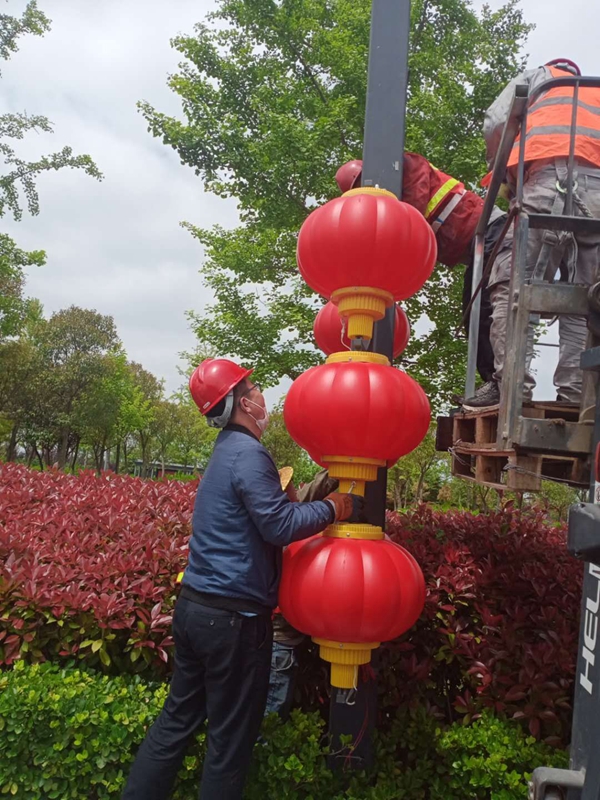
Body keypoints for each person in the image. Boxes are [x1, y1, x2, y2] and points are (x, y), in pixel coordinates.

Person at [121, 358, 363, 800]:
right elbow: (279, 526)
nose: (259, 395)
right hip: (233, 622)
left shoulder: (225, 452)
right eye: (252, 388)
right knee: (230, 742)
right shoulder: (250, 454)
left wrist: (290, 501)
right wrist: (334, 508)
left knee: (176, 721)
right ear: (242, 403)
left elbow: (260, 519)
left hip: (195, 610)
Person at [461, 58, 600, 408]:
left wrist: (502, 172)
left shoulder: (540, 79)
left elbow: (496, 121)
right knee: (586, 297)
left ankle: (510, 387)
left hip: (546, 183)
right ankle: (576, 395)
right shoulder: (596, 95)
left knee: (513, 285)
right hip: (597, 197)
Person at [336, 155, 507, 386]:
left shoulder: (407, 163)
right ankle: (493, 382)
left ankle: (498, 384)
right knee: (474, 312)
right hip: (478, 244)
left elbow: (412, 215)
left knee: (483, 309)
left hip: (491, 231)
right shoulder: (392, 200)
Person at [264, 469, 339, 719]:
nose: (295, 492)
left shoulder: (279, 519)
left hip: (278, 634)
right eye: (289, 489)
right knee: (270, 713)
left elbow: (313, 492)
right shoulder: (279, 528)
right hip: (278, 636)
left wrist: (337, 469)